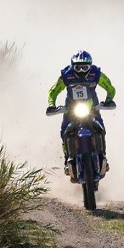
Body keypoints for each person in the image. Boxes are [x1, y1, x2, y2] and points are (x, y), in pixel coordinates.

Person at [46, 50, 116, 182]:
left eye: (85, 67)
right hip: (71, 111)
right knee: (64, 132)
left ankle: (103, 158)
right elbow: (53, 91)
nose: (82, 70)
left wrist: (108, 100)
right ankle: (68, 160)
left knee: (101, 129)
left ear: (90, 65)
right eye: (78, 67)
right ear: (73, 66)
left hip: (92, 110)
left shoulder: (96, 74)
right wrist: (52, 105)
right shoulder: (66, 75)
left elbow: (110, 88)